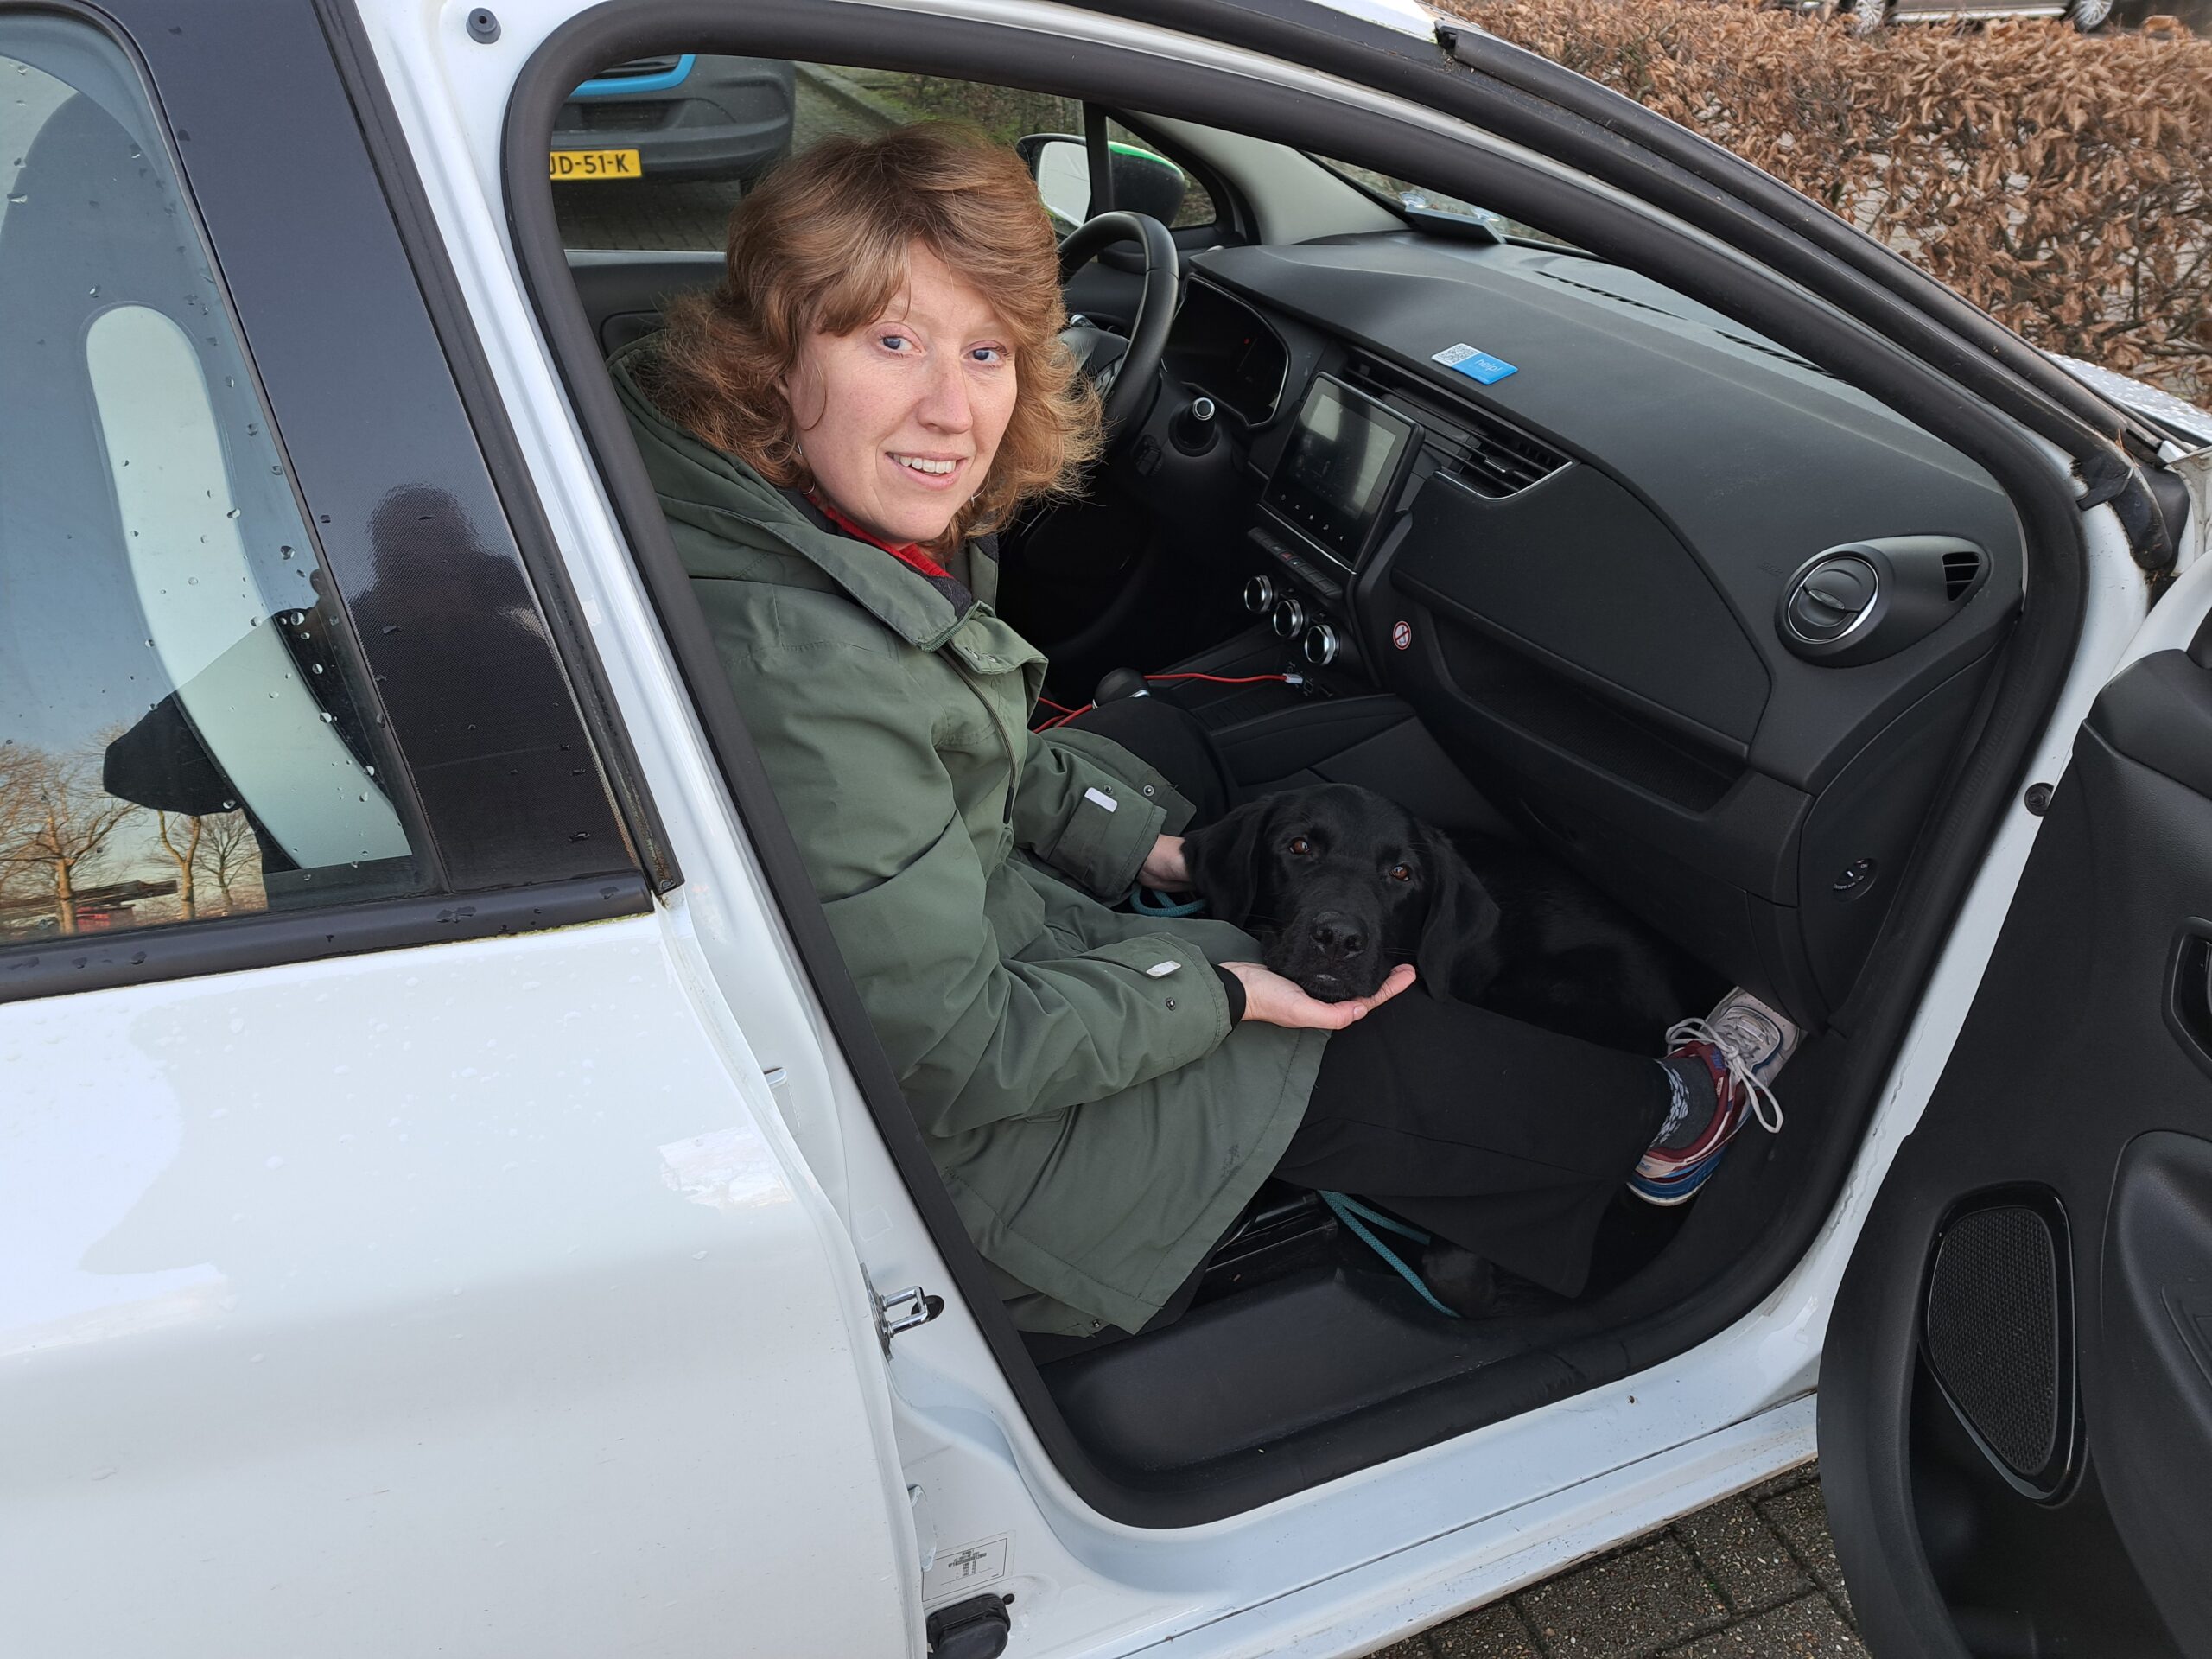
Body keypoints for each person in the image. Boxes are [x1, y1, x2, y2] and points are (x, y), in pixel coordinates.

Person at [612, 122, 1796, 1338]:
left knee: (1171, 751)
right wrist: (1223, 989)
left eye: (986, 350)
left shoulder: (789, 522)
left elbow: (954, 759)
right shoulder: (808, 660)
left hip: (961, 950)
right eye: (892, 341)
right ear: (771, 350)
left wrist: (1165, 856)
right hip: (971, 1173)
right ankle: (1662, 1127)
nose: (951, 411)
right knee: (1344, 1048)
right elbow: (949, 1058)